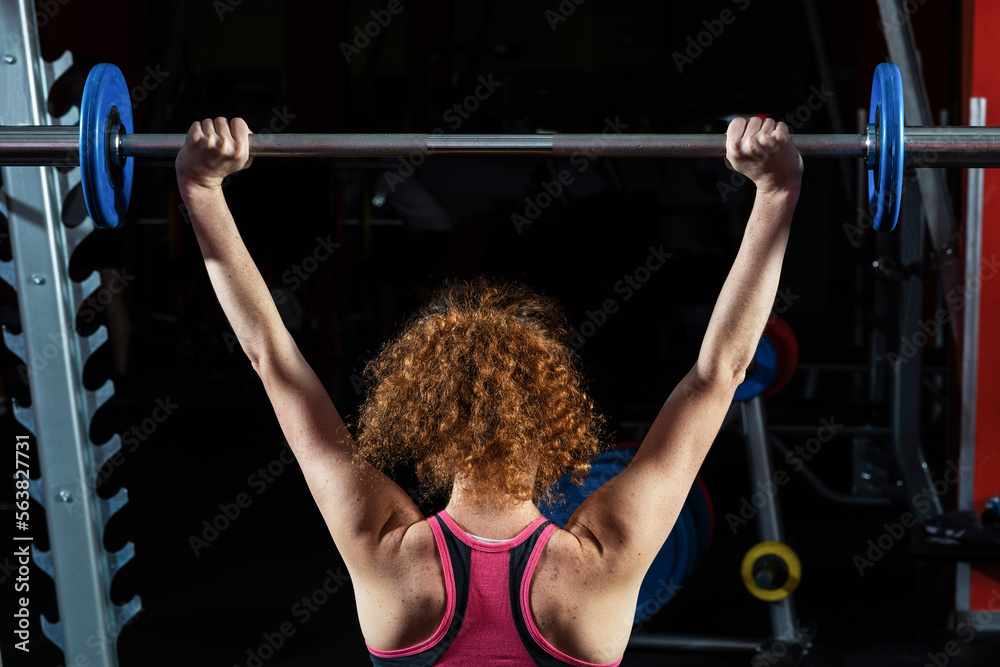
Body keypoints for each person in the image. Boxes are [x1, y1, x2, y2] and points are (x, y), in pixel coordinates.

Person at [175, 115, 803, 666]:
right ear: (556, 418)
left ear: (424, 427)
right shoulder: (600, 557)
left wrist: (201, 190)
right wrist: (776, 191)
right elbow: (719, 371)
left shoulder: (386, 552)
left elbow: (273, 361)